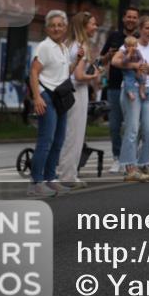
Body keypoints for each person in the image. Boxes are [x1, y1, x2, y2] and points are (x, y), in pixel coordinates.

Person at [28, 10, 78, 197]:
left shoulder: (63, 48)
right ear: (47, 28)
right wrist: (37, 97)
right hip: (47, 96)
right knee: (46, 140)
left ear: (65, 28)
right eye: (52, 25)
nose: (56, 28)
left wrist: (78, 60)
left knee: (58, 141)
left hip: (60, 97)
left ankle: (50, 179)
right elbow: (33, 72)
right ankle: (36, 183)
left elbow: (65, 72)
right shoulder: (44, 47)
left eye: (60, 25)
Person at [111, 16, 149, 183]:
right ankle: (130, 168)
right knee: (132, 129)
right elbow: (115, 61)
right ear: (140, 29)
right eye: (146, 28)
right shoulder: (131, 44)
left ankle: (144, 164)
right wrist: (135, 65)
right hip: (131, 89)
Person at [57, 11, 101, 190]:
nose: (95, 27)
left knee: (67, 133)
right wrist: (95, 75)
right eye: (93, 24)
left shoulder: (69, 44)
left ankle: (64, 172)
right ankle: (68, 175)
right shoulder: (81, 46)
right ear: (84, 26)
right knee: (75, 135)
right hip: (77, 91)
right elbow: (79, 75)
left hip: (67, 91)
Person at [99, 6, 140, 173]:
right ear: (123, 18)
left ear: (137, 20)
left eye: (134, 17)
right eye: (128, 17)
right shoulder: (114, 36)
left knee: (132, 126)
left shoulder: (140, 38)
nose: (131, 20)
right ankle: (117, 157)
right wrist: (109, 56)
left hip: (134, 86)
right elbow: (101, 60)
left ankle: (129, 159)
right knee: (115, 125)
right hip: (115, 86)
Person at [121, 36, 146, 101]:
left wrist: (139, 67)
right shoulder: (124, 53)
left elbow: (141, 59)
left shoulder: (137, 52)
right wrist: (129, 54)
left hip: (137, 69)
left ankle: (141, 91)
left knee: (142, 78)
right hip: (128, 70)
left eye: (133, 46)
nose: (131, 48)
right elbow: (124, 62)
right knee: (128, 80)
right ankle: (130, 92)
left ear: (136, 46)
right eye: (129, 46)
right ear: (125, 46)